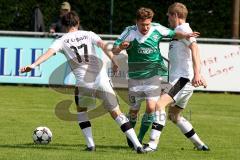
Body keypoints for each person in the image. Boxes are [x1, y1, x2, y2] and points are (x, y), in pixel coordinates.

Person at [20, 11, 145, 153]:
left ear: (63, 25)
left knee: (81, 112)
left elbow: (48, 54)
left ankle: (91, 145)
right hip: (101, 79)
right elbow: (104, 46)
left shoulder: (61, 40)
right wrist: (114, 61)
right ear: (78, 23)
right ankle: (138, 145)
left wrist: (33, 65)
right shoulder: (89, 34)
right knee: (117, 113)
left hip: (84, 84)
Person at [112, 7, 199, 148]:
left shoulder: (157, 28)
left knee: (151, 108)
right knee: (134, 111)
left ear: (151, 22)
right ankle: (132, 135)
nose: (146, 27)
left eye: (148, 24)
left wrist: (187, 35)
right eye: (142, 25)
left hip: (153, 76)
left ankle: (139, 138)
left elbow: (173, 33)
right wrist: (121, 47)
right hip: (135, 77)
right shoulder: (129, 31)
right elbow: (114, 49)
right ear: (136, 22)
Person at [143, 2, 210, 152]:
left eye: (169, 16)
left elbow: (195, 48)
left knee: (159, 105)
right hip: (182, 80)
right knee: (174, 116)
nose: (168, 19)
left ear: (175, 15)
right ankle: (200, 145)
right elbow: (187, 56)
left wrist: (197, 74)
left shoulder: (183, 29)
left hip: (182, 80)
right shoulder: (179, 32)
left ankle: (152, 145)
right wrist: (198, 74)